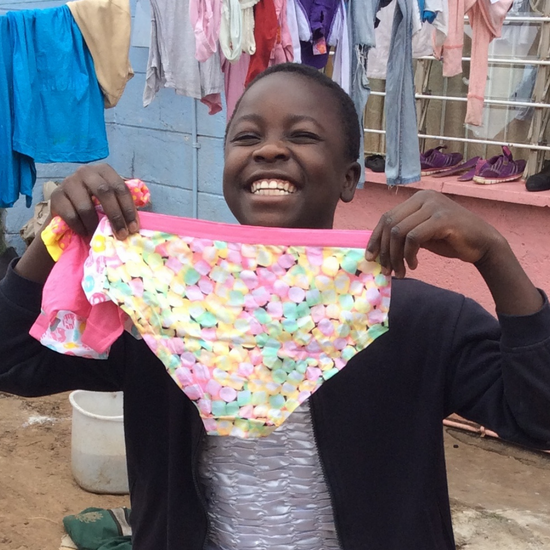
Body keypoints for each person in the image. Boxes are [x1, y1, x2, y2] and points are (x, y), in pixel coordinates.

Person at [1, 63, 549, 550]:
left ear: (349, 178)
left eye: (304, 135)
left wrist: (496, 258)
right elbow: (13, 363)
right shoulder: (158, 311)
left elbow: (538, 418)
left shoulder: (419, 323)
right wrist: (56, 243)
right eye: (246, 136)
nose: (268, 149)